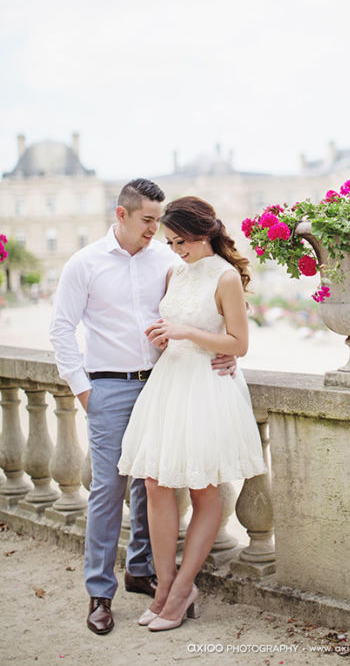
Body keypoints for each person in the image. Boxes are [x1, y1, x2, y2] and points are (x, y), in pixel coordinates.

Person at [49, 179, 236, 635]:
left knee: (151, 487)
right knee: (108, 490)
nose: (156, 229)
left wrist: (227, 349)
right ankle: (99, 593)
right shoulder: (84, 263)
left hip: (165, 384)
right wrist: (84, 390)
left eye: (160, 220)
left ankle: (140, 569)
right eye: (148, 220)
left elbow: (207, 308)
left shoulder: (171, 259)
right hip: (108, 387)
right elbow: (61, 330)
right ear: (122, 215)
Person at [118, 196, 267, 632]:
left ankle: (183, 589)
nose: (175, 249)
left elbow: (238, 344)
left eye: (180, 241)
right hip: (171, 381)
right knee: (154, 482)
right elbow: (182, 326)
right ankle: (164, 588)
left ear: (203, 233)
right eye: (170, 241)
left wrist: (186, 331)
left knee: (203, 486)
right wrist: (168, 337)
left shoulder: (225, 276)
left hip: (206, 385)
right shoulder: (177, 272)